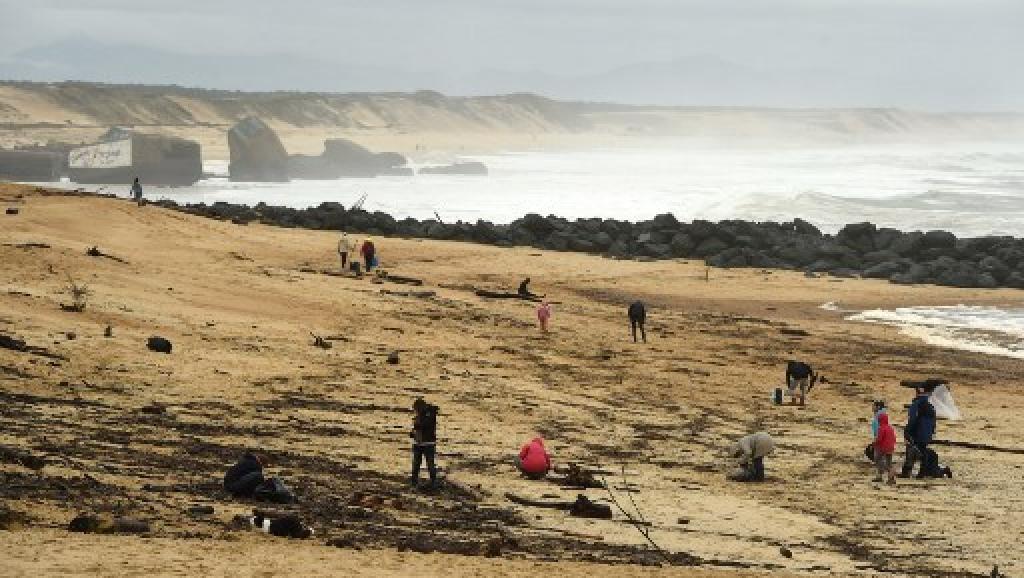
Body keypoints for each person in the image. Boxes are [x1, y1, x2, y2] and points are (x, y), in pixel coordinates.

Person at [901, 384, 950, 478]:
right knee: (922, 452)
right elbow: (933, 423)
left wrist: (907, 431)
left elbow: (913, 420)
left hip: (917, 434)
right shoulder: (931, 407)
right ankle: (921, 473)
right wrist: (931, 434)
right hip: (926, 435)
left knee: (912, 452)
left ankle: (908, 473)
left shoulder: (917, 404)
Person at [410, 398, 439, 488]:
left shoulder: (430, 414)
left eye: (416, 409)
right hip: (419, 443)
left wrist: (416, 427)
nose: (416, 411)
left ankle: (433, 481)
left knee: (429, 463)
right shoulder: (423, 415)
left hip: (427, 443)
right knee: (416, 464)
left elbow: (425, 426)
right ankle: (414, 481)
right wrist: (413, 433)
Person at [873, 412, 897, 484]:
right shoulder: (890, 428)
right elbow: (894, 438)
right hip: (890, 448)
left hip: (883, 448)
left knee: (877, 459)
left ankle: (881, 475)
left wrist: (874, 444)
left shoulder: (881, 428)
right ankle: (890, 478)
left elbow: (879, 439)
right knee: (889, 462)